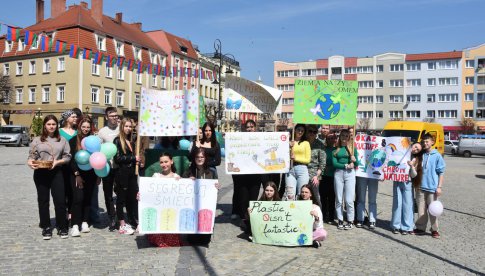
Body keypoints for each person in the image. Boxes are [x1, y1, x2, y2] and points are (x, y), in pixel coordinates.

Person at [28, 115, 71, 240]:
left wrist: (57, 162)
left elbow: (68, 156)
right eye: (49, 124)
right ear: (44, 126)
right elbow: (31, 156)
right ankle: (46, 226)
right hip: (41, 173)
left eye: (54, 124)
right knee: (43, 200)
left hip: (57, 172)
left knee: (60, 200)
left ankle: (62, 226)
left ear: (57, 125)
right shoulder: (37, 140)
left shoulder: (62, 140)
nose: (51, 126)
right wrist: (30, 162)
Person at [144, 153, 184, 247]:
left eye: (166, 161)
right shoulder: (156, 176)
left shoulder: (176, 177)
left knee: (173, 242)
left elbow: (184, 194)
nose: (164, 164)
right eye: (161, 162)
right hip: (159, 212)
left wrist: (185, 182)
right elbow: (149, 193)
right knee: (159, 240)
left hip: (171, 214)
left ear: (171, 161)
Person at [183, 147, 221, 245]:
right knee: (192, 239)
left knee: (204, 239)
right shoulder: (188, 171)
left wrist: (217, 187)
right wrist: (186, 181)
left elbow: (215, 189)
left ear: (205, 158)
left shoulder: (211, 172)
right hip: (192, 206)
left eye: (202, 157)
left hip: (205, 206)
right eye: (197, 157)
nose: (200, 159)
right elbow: (181, 188)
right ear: (194, 158)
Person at [69, 117, 98, 237]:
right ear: (80, 127)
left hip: (91, 173)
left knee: (87, 198)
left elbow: (97, 156)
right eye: (83, 126)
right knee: (78, 199)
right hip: (77, 174)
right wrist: (77, 174)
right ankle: (75, 225)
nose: (85, 129)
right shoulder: (73, 140)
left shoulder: (93, 140)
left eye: (88, 127)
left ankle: (85, 222)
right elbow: (71, 160)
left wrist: (98, 175)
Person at [414, 134, 446, 239]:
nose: (425, 143)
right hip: (420, 187)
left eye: (427, 141)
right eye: (424, 141)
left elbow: (441, 172)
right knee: (421, 210)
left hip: (432, 188)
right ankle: (420, 228)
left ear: (432, 142)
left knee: (433, 210)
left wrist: (439, 187)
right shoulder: (421, 155)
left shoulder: (437, 156)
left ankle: (434, 230)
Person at [113, 118, 140, 235]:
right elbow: (117, 158)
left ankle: (133, 220)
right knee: (121, 199)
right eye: (126, 126)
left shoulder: (132, 140)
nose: (128, 129)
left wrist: (138, 162)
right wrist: (133, 158)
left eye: (130, 127)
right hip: (121, 174)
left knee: (133, 198)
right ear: (122, 127)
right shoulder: (117, 140)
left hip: (132, 174)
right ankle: (122, 224)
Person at [231, 120, 262, 221]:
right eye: (248, 127)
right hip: (243, 175)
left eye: (252, 127)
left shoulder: (261, 139)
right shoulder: (239, 139)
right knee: (243, 198)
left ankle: (251, 218)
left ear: (255, 128)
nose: (249, 129)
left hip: (255, 175)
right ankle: (245, 219)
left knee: (253, 197)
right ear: (245, 128)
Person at [391, 142, 423, 235]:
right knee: (397, 203)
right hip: (397, 180)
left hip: (408, 182)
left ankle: (406, 226)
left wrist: (412, 166)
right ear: (412, 145)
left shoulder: (416, 159)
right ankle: (396, 226)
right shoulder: (401, 152)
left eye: (417, 150)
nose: (415, 149)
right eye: (415, 147)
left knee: (408, 204)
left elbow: (414, 175)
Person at [97, 107, 119, 231]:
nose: (114, 118)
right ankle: (111, 217)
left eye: (116, 115)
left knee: (121, 192)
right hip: (107, 167)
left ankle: (120, 216)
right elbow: (98, 151)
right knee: (108, 193)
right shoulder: (102, 132)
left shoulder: (122, 129)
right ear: (106, 117)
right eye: (112, 116)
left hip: (120, 166)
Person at [333, 129, 359, 230]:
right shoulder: (336, 149)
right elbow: (335, 163)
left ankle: (350, 220)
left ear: (349, 137)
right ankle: (340, 219)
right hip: (339, 173)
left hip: (350, 175)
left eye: (346, 136)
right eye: (342, 135)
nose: (344, 137)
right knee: (339, 199)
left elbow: (357, 163)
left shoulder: (353, 149)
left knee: (349, 200)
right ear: (340, 137)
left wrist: (354, 161)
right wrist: (346, 165)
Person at [59, 110, 78, 222]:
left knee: (72, 189)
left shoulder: (77, 131)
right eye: (73, 116)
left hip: (75, 164)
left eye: (76, 117)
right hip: (62, 164)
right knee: (63, 189)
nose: (76, 118)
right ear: (67, 119)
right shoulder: (60, 131)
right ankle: (64, 211)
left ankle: (71, 212)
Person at [284, 124, 311, 200]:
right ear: (294, 130)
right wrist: (288, 145)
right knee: (290, 194)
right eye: (298, 130)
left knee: (301, 194)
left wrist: (296, 158)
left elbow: (308, 160)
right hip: (290, 169)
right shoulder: (289, 142)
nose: (300, 132)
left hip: (302, 169)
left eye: (302, 131)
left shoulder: (306, 143)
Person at [306, 124, 325, 207]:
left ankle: (318, 216)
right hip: (303, 172)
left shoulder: (320, 144)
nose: (312, 133)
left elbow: (322, 163)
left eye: (314, 132)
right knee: (303, 194)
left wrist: (317, 176)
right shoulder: (303, 142)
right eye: (310, 131)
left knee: (316, 196)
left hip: (314, 174)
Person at [320, 133, 337, 224]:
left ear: (335, 139)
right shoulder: (324, 149)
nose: (331, 140)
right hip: (323, 176)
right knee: (323, 197)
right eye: (329, 138)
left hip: (334, 177)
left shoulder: (337, 150)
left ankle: (331, 217)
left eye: (333, 138)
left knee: (332, 197)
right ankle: (323, 215)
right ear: (326, 140)